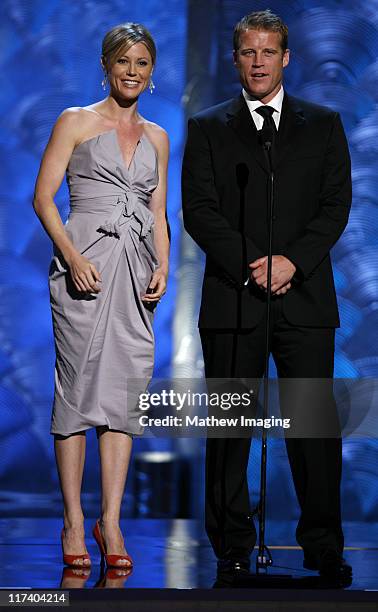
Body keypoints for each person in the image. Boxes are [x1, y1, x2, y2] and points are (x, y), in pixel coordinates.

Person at [182, 10, 352, 580]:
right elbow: (200, 211)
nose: (258, 62)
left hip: (304, 300)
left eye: (268, 52)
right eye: (248, 52)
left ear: (286, 58)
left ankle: (323, 544)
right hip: (234, 301)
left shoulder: (323, 124)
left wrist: (293, 261)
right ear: (235, 59)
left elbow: (335, 206)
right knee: (230, 429)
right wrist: (251, 267)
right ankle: (231, 542)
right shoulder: (208, 127)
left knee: (312, 428)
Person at [33, 22, 170, 569]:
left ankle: (109, 522)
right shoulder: (75, 121)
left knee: (124, 394)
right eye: (123, 62)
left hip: (136, 275)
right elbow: (43, 198)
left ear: (152, 71)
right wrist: (72, 255)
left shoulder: (159, 137)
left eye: (141, 62)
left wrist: (163, 266)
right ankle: (72, 519)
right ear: (107, 65)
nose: (132, 71)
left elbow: (159, 213)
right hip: (82, 268)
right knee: (77, 390)